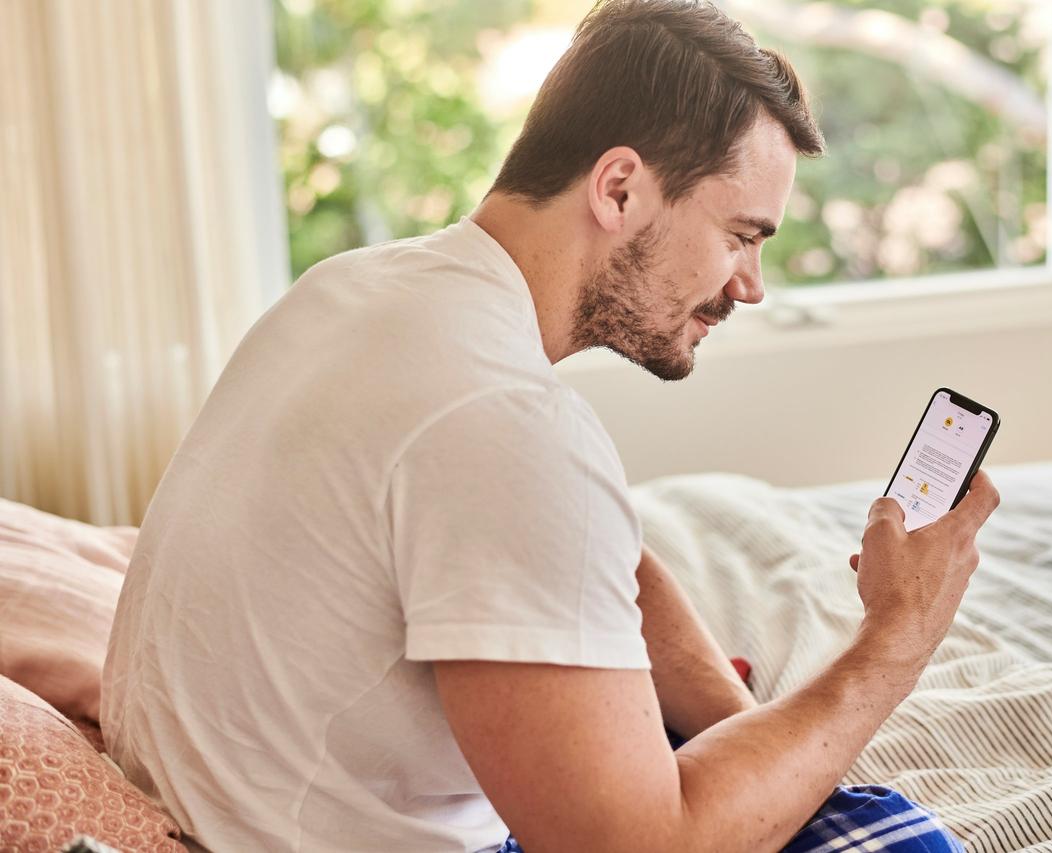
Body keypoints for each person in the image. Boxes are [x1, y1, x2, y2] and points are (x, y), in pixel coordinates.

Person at [101, 0, 1000, 851]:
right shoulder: (502, 423)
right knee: (885, 831)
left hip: (232, 809)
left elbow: (608, 560)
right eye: (740, 235)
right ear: (618, 188)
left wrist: (744, 726)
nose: (750, 284)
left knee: (800, 777)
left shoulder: (354, 290)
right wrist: (897, 638)